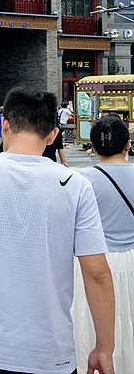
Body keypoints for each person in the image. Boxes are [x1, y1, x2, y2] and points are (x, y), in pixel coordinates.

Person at [0, 87, 115, 374]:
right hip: (51, 353)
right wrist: (105, 348)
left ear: (4, 125)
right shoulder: (76, 185)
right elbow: (98, 273)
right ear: (53, 135)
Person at [72, 116, 134, 369]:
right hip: (131, 258)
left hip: (92, 263)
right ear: (127, 145)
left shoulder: (79, 180)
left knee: (90, 327)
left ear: (94, 147)